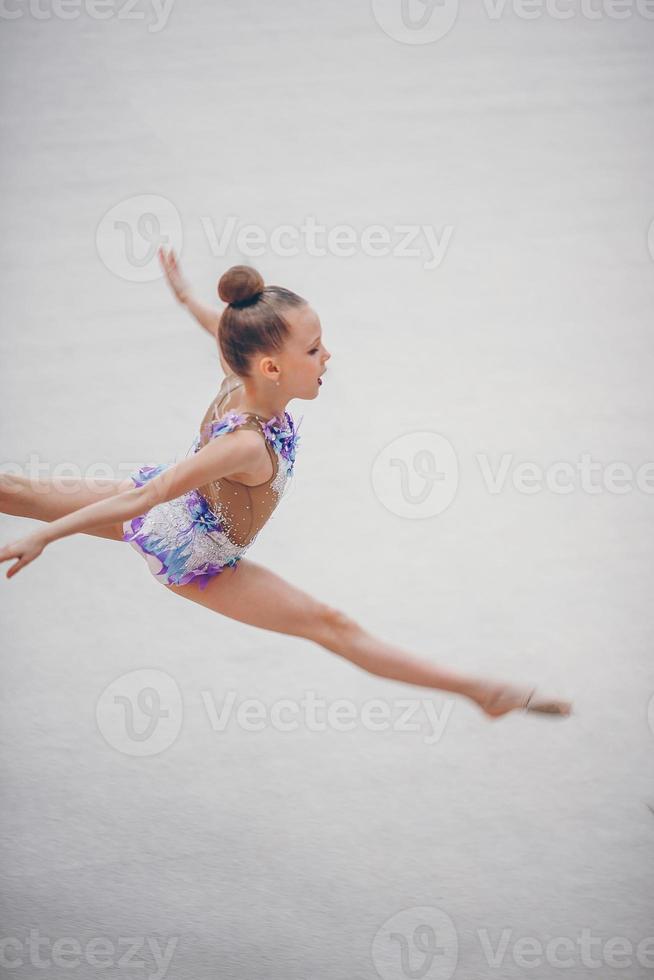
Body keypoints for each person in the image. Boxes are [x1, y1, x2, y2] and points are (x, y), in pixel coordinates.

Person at [0, 253, 572, 720]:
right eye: (314, 349)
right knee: (333, 627)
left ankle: (480, 691)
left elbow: (223, 335)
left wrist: (187, 300)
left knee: (18, 491)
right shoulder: (245, 445)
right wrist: (48, 536)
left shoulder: (238, 374)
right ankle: (481, 692)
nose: (328, 356)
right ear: (271, 369)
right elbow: (143, 500)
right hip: (199, 556)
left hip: (175, 510)